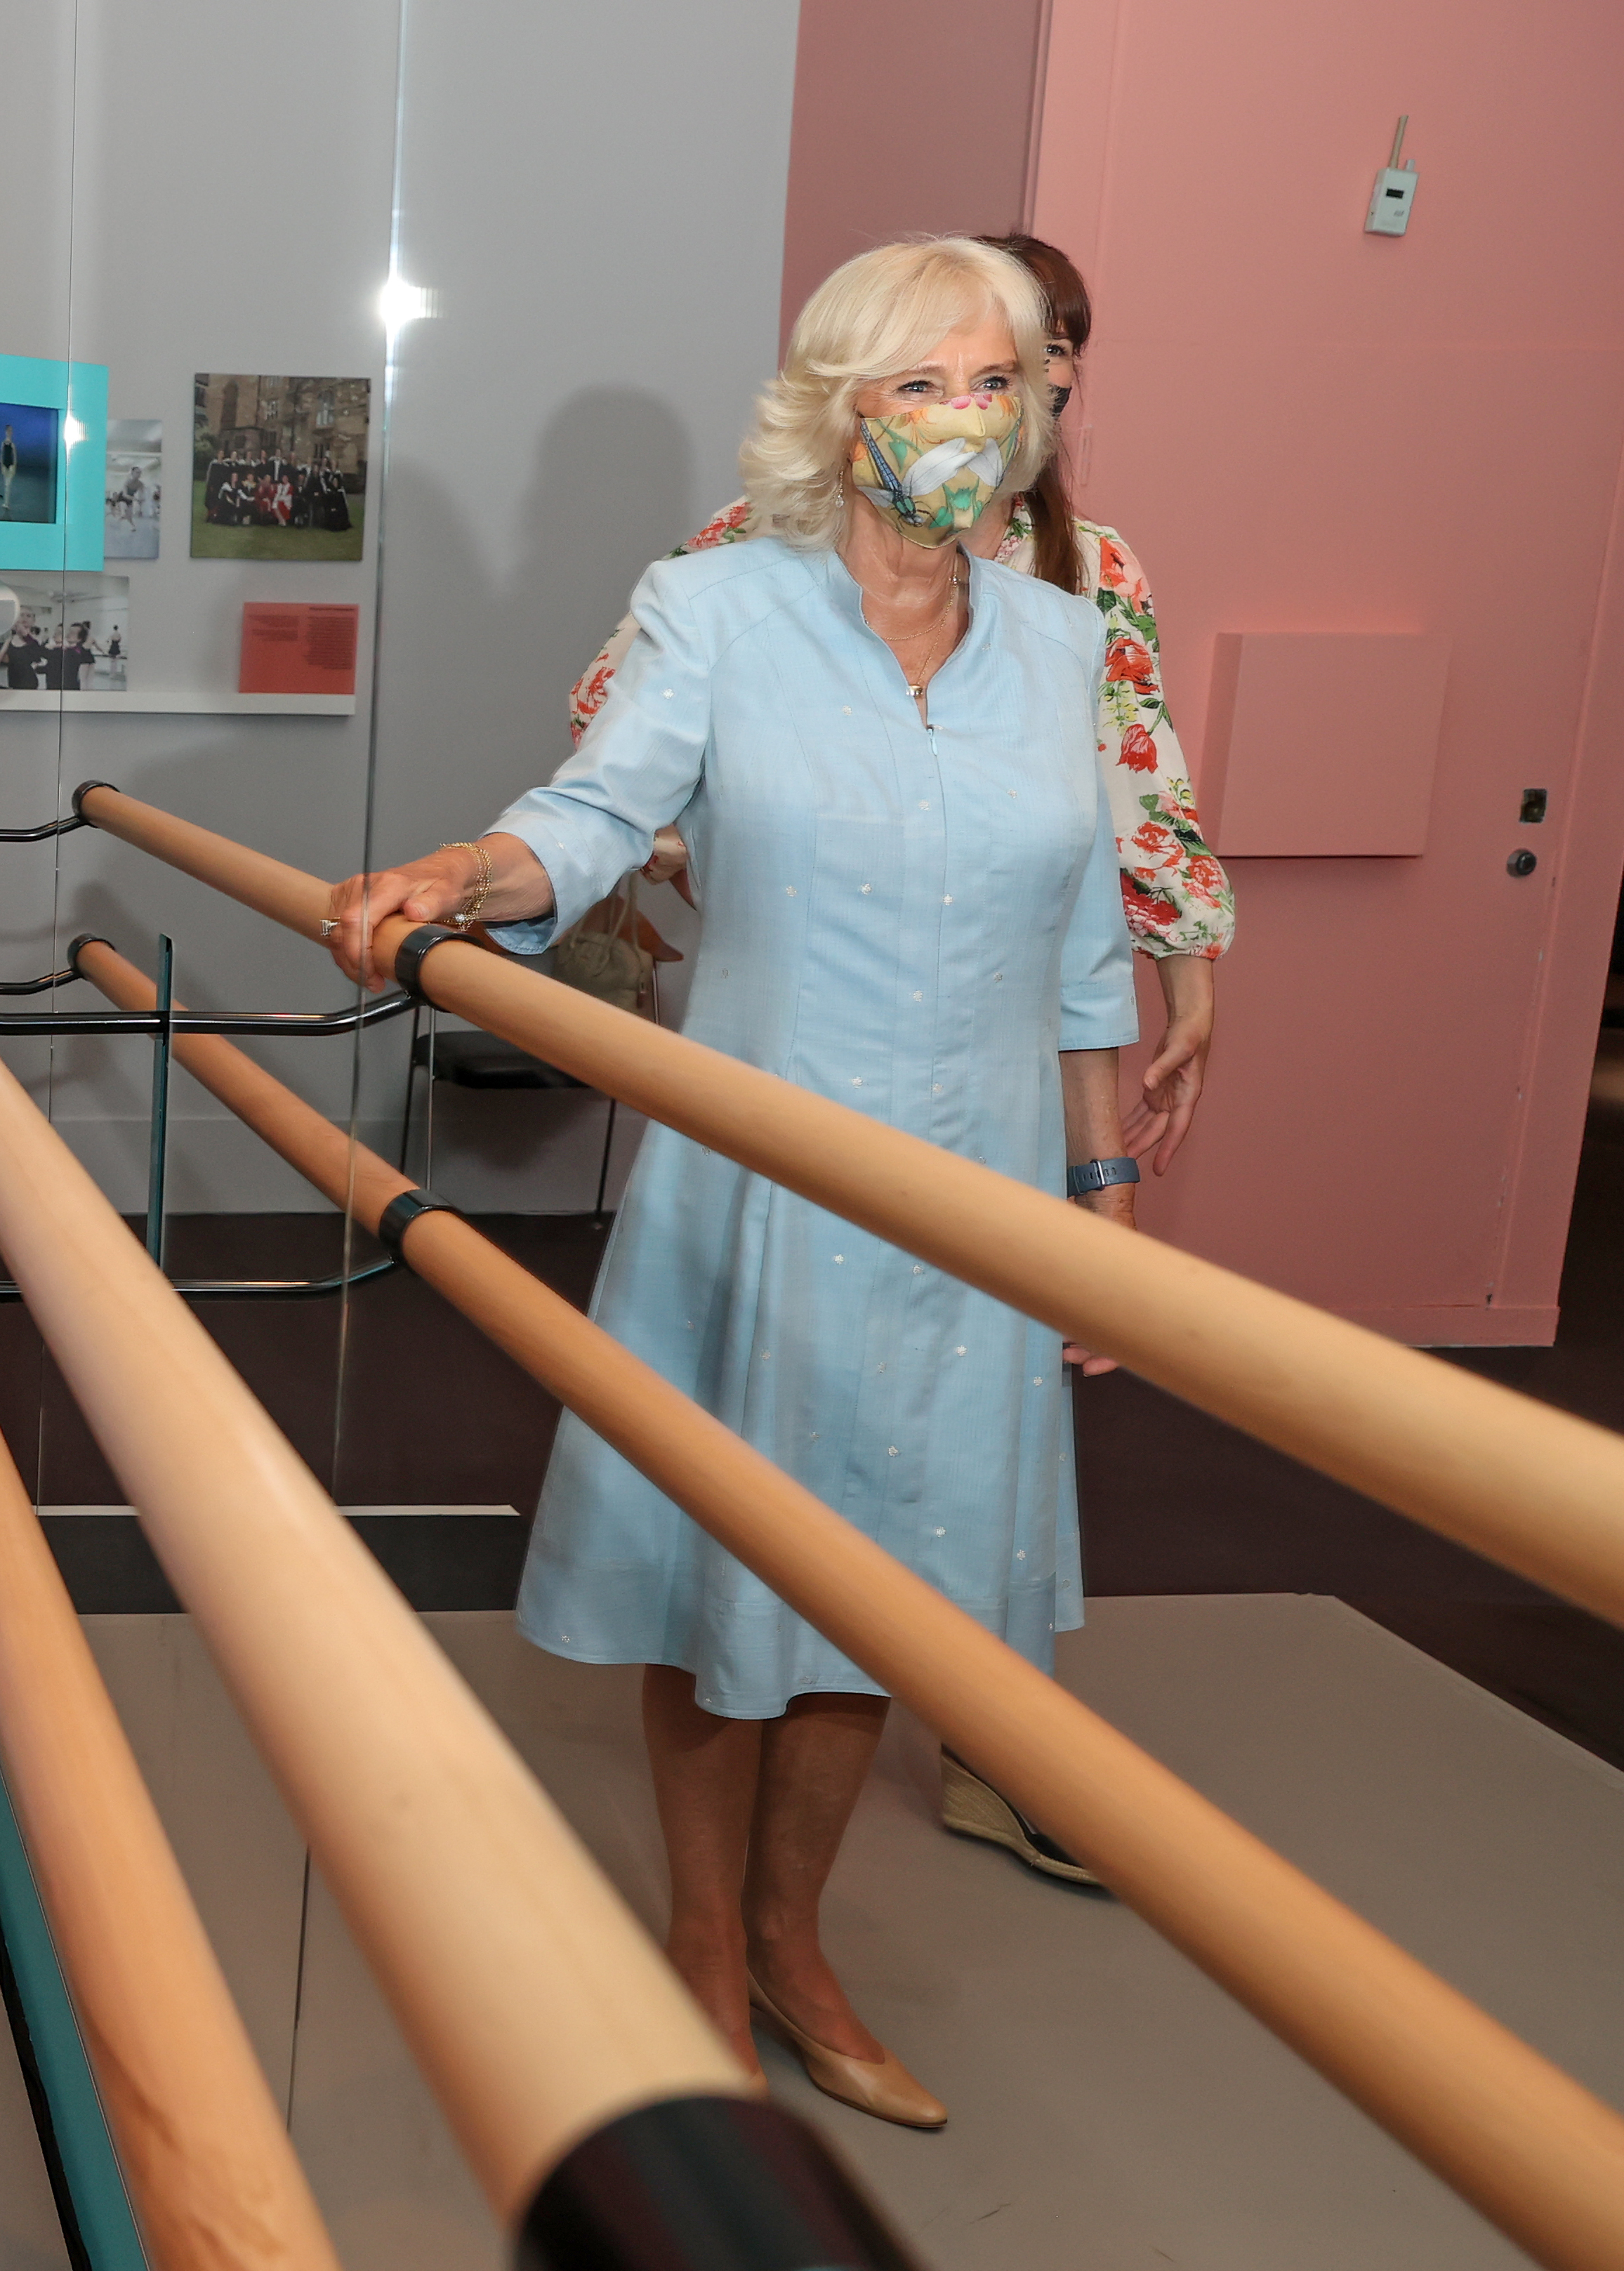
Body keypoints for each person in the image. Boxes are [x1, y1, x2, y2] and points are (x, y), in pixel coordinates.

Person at [322, 237, 1139, 2131]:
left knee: (896, 1591)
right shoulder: (716, 610)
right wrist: (462, 869)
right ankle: (701, 1944)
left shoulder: (1059, 639)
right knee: (733, 1581)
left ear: (1037, 414)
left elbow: (1083, 943)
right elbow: (599, 818)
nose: (960, 420)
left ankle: (796, 1944)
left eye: (993, 383)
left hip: (980, 1196)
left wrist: (1100, 1190)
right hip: (765, 1169)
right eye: (919, 384)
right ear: (836, 409)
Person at [566, 232, 1232, 1213]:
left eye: (1038, 358)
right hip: (815, 999)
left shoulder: (1087, 570)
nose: (1012, 384)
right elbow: (610, 710)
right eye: (941, 373)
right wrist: (704, 840)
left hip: (1002, 1011)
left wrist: (1188, 974)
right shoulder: (766, 537)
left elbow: (1132, 781)